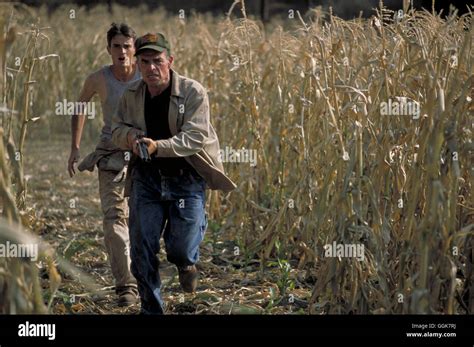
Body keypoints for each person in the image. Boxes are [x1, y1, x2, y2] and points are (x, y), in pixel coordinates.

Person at [111, 33, 236, 314]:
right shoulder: (131, 96)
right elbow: (115, 130)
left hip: (186, 176)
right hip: (147, 178)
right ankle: (152, 309)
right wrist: (131, 138)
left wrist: (158, 146)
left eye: (158, 61)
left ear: (170, 60)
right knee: (142, 247)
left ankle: (186, 262)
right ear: (137, 63)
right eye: (145, 62)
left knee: (180, 248)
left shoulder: (193, 92)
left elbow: (195, 138)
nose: (152, 68)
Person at [67, 23, 140, 307]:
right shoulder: (99, 79)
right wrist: (75, 147)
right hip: (111, 156)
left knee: (143, 219)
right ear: (108, 49)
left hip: (145, 155)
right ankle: (126, 286)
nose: (122, 51)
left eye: (127, 46)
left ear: (134, 49)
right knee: (114, 221)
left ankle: (148, 271)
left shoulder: (147, 74)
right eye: (116, 46)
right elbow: (80, 106)